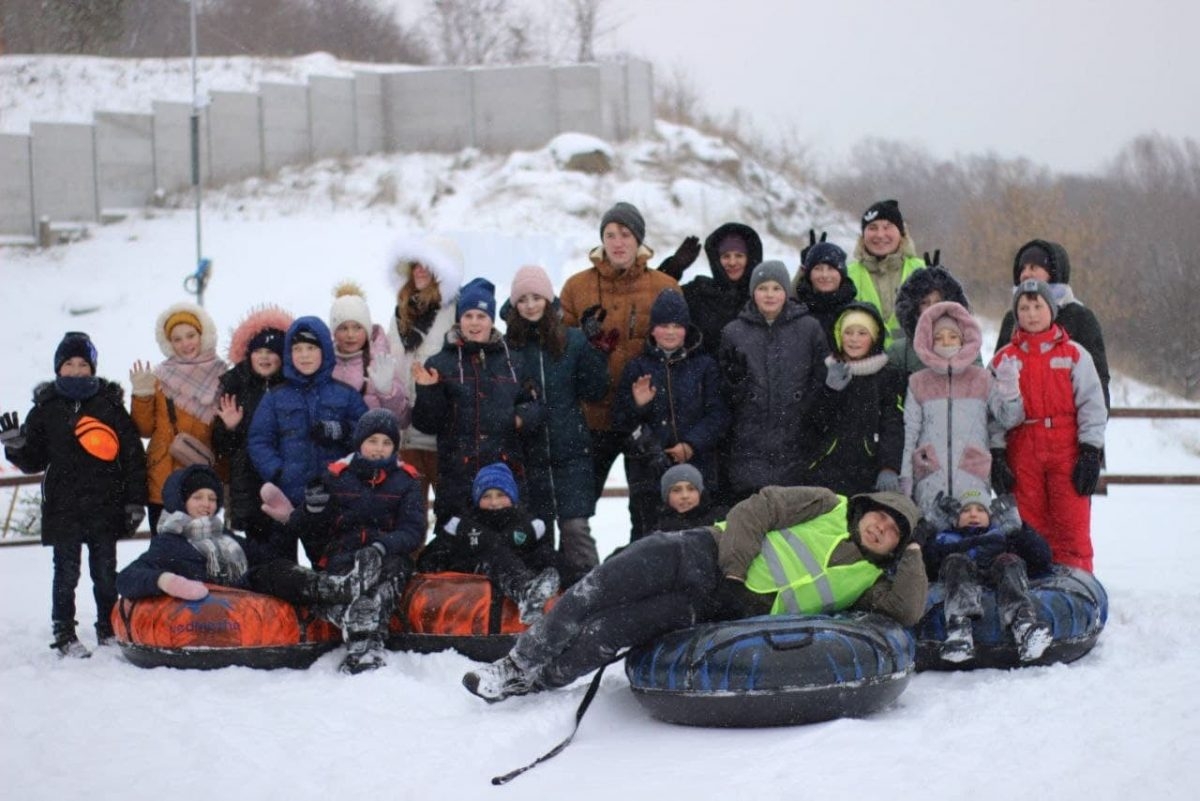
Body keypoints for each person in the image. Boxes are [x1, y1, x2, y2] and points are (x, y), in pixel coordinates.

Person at [462, 486, 928, 703]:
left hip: (713, 610)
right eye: (881, 517)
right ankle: (519, 662)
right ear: (870, 506)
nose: (879, 527)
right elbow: (758, 508)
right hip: (699, 553)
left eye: (890, 533)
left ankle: (543, 680)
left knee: (617, 628)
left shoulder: (870, 579)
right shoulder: (829, 505)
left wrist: (913, 550)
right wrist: (734, 572)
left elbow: (907, 609)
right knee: (597, 592)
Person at [118, 464, 387, 674]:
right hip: (219, 606)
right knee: (269, 575)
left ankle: (341, 601)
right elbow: (128, 578)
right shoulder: (169, 542)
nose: (207, 504)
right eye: (198, 497)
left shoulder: (226, 537)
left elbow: (266, 556)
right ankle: (341, 595)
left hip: (250, 587)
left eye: (212, 498)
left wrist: (286, 522)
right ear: (181, 501)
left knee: (275, 570)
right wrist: (167, 581)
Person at [1, 332, 147, 657]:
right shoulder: (45, 408)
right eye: (70, 363)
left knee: (105, 573)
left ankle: (108, 629)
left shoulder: (110, 405)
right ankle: (64, 633)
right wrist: (16, 446)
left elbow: (133, 458)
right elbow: (33, 459)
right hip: (64, 507)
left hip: (105, 505)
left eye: (83, 363)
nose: (77, 370)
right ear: (58, 368)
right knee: (66, 573)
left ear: (93, 368)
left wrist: (135, 501)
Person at [273, 408, 425, 673]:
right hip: (344, 555)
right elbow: (303, 526)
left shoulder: (407, 481)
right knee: (346, 582)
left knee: (384, 582)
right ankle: (360, 633)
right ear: (360, 443)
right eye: (373, 441)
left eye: (387, 443)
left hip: (387, 556)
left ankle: (364, 646)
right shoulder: (336, 475)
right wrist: (312, 509)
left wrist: (382, 546)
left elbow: (413, 530)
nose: (379, 449)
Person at [558, 202, 681, 520]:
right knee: (578, 508)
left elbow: (678, 343)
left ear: (638, 240)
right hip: (592, 417)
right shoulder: (577, 286)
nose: (618, 242)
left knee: (646, 509)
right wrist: (581, 341)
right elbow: (557, 348)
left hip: (644, 418)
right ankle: (578, 567)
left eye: (625, 234)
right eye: (610, 234)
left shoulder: (664, 286)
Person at [990, 280, 1107, 572]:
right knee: (1029, 527)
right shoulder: (1004, 359)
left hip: (1066, 449)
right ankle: (1033, 595)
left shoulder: (1074, 354)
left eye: (1037, 306)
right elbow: (991, 412)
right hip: (1022, 449)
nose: (1031, 314)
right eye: (1024, 307)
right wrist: (997, 453)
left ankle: (1078, 590)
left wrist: (1091, 450)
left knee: (1071, 523)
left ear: (1051, 310)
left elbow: (1092, 405)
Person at [411, 277, 544, 530]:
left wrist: (521, 417)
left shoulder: (514, 361)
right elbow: (427, 423)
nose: (474, 322)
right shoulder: (439, 363)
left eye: (481, 316)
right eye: (468, 315)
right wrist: (427, 391)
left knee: (507, 542)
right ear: (459, 319)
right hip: (457, 474)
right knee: (456, 545)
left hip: (505, 471)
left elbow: (536, 405)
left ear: (491, 320)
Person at [502, 265, 609, 575]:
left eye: (537, 297)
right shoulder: (509, 347)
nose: (531, 305)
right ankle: (545, 602)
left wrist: (596, 352)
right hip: (529, 456)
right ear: (514, 305)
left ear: (549, 300)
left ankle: (593, 595)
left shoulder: (572, 341)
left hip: (570, 454)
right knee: (538, 535)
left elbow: (595, 389)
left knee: (576, 530)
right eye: (523, 299)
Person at [613, 288, 729, 540]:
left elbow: (718, 415)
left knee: (700, 537)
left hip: (698, 470)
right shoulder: (637, 367)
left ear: (686, 329)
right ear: (653, 329)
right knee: (647, 539)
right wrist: (638, 405)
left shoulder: (704, 365)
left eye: (677, 325)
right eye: (663, 325)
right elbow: (621, 423)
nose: (670, 332)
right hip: (648, 475)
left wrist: (691, 444)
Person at [246, 316, 370, 549]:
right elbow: (259, 441)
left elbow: (366, 436)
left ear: (324, 350)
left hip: (333, 497)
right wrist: (278, 471)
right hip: (287, 497)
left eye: (311, 348)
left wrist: (340, 431)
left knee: (330, 562)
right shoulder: (275, 396)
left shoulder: (345, 394)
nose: (304, 355)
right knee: (283, 569)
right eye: (297, 349)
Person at [900, 301, 1024, 530]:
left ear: (963, 338)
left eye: (952, 336)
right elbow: (910, 433)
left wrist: (1009, 387)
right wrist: (906, 479)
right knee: (934, 544)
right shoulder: (918, 382)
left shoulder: (982, 379)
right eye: (939, 337)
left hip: (972, 480)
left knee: (972, 544)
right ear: (928, 341)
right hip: (929, 480)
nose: (946, 342)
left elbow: (1009, 418)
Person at [718, 260, 829, 503]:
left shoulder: (809, 328)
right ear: (752, 292)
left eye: (776, 288)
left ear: (786, 292)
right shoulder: (733, 332)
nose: (769, 295)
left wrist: (806, 413)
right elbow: (725, 395)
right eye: (763, 288)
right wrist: (736, 384)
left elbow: (820, 379)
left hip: (795, 444)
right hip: (749, 447)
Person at [419, 462, 562, 624]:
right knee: (493, 552)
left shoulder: (526, 524)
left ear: (512, 497)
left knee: (548, 557)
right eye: (486, 496)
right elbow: (428, 559)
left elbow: (541, 553)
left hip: (518, 567)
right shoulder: (464, 525)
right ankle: (526, 592)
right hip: (474, 577)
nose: (494, 502)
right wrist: (463, 554)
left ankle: (586, 591)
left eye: (501, 495)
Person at [923, 488, 1054, 663]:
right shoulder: (947, 539)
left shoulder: (1002, 536)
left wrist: (1019, 530)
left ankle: (1023, 623)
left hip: (997, 575)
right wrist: (929, 528)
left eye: (980, 510)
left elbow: (1042, 559)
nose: (973, 514)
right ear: (955, 519)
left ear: (990, 516)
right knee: (956, 561)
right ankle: (959, 630)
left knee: (1009, 561)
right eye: (966, 510)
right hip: (961, 577)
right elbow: (924, 563)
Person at [129, 301, 227, 534]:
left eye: (190, 335)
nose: (185, 344)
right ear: (168, 343)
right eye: (177, 339)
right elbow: (143, 429)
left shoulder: (222, 376)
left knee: (203, 551)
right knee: (165, 551)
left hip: (203, 481)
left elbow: (225, 434)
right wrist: (141, 394)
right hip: (163, 478)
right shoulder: (159, 377)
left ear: (202, 334)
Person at [385, 234, 466, 514]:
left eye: (428, 265)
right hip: (404, 438)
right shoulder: (400, 314)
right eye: (415, 263)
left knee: (452, 523)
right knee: (410, 525)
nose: (419, 270)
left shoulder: (456, 311)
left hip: (443, 440)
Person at [802, 303, 906, 497]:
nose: (854, 339)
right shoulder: (825, 370)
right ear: (839, 336)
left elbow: (893, 425)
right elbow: (810, 423)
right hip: (823, 473)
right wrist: (829, 391)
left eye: (862, 333)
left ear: (874, 338)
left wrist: (889, 467)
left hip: (867, 474)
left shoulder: (887, 375)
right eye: (848, 332)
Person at [994, 239, 1111, 409]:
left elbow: (1097, 382)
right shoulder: (1012, 319)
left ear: (1054, 273)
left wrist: (1090, 431)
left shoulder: (1080, 317)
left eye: (1034, 267)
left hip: (1067, 430)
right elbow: (997, 378)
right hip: (1018, 430)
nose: (1026, 274)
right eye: (1022, 269)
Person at [211, 305, 292, 546]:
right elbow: (221, 446)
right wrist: (230, 428)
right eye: (259, 351)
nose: (265, 357)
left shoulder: (292, 386)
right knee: (257, 556)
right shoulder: (236, 385)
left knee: (286, 554)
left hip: (285, 484)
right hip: (249, 487)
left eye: (271, 351)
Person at [666, 222, 764, 358]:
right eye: (726, 256)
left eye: (739, 256)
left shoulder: (764, 295)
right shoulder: (700, 292)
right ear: (717, 259)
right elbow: (658, 300)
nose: (732, 262)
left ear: (750, 258)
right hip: (705, 377)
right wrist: (672, 268)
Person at [328, 281, 411, 423]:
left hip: (374, 443)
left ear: (367, 330)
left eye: (357, 327)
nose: (350, 335)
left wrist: (388, 392)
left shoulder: (381, 361)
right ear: (334, 332)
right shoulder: (326, 364)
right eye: (343, 328)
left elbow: (403, 420)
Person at [845, 200, 926, 342]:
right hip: (864, 362)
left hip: (913, 361)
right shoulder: (847, 274)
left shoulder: (922, 270)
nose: (880, 235)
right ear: (863, 236)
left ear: (901, 233)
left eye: (888, 227)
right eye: (873, 228)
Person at [888, 263, 972, 377]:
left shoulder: (968, 346)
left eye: (939, 302)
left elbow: (978, 388)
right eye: (924, 303)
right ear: (914, 307)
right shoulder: (899, 352)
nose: (933, 308)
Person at [792, 240, 859, 349]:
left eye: (831, 268)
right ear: (809, 274)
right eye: (818, 269)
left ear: (842, 273)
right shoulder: (796, 310)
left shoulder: (856, 311)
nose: (824, 275)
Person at [651, 463, 727, 533]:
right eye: (676, 490)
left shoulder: (721, 519)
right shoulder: (660, 531)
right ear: (667, 497)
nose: (685, 496)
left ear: (700, 493)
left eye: (691, 489)